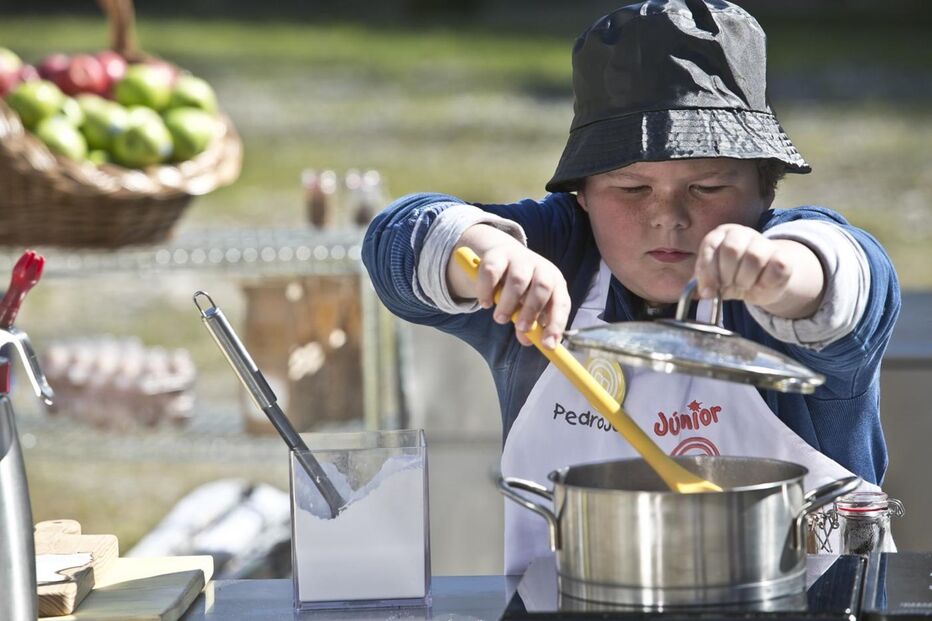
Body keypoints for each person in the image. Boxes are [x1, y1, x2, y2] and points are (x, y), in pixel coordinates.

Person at [362, 0, 900, 573]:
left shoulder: (792, 261)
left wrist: (779, 274)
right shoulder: (562, 255)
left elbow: (851, 284)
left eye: (708, 187)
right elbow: (397, 242)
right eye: (632, 189)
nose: (667, 216)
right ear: (582, 194)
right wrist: (490, 258)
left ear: (766, 191)